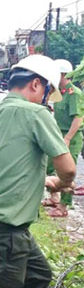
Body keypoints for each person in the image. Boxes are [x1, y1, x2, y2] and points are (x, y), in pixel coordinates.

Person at [0, 54, 76, 288]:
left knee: (38, 276)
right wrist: (61, 182)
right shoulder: (36, 114)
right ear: (36, 84)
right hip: (5, 231)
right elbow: (69, 171)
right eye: (47, 94)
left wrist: (44, 181)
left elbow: (7, 169)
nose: (46, 102)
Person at [42, 59, 84, 217]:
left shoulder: (74, 94)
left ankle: (64, 206)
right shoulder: (57, 92)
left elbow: (78, 119)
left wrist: (67, 139)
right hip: (57, 135)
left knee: (66, 172)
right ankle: (54, 197)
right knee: (48, 167)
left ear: (63, 74)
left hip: (70, 137)